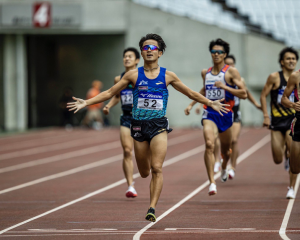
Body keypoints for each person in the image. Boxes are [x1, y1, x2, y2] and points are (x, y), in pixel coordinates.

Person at [67, 33, 229, 222]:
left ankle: (152, 208)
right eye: (145, 48)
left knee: (157, 168)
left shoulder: (168, 75)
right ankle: (147, 161)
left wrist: (211, 103)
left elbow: (190, 92)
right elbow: (111, 92)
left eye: (152, 48)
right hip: (138, 126)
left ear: (160, 53)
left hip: (158, 125)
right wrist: (86, 102)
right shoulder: (133, 75)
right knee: (144, 172)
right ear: (142, 53)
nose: (148, 51)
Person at [184, 39, 247, 196]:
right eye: (213, 52)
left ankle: (224, 167)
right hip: (210, 113)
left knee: (226, 152)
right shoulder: (205, 73)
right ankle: (211, 182)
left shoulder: (231, 72)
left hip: (226, 114)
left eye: (219, 52)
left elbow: (244, 93)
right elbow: (204, 90)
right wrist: (192, 105)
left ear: (225, 54)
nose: (216, 54)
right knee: (210, 145)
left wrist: (225, 86)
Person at [260, 47, 298, 199]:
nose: (291, 61)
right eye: (288, 58)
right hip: (276, 121)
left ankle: (291, 188)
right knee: (277, 158)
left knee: (293, 153)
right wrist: (265, 116)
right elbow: (263, 96)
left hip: (292, 120)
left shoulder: (297, 77)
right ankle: (286, 156)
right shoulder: (274, 77)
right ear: (282, 62)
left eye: (294, 59)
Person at [102, 47, 140, 198]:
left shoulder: (141, 77)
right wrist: (108, 105)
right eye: (125, 56)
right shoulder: (119, 79)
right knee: (126, 150)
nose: (127, 59)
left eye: (130, 56)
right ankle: (130, 186)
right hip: (126, 117)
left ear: (137, 60)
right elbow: (117, 95)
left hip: (141, 118)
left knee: (142, 153)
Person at [282, 69, 300, 199]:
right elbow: (284, 98)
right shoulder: (295, 76)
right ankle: (292, 186)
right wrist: (293, 104)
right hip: (299, 123)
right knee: (294, 167)